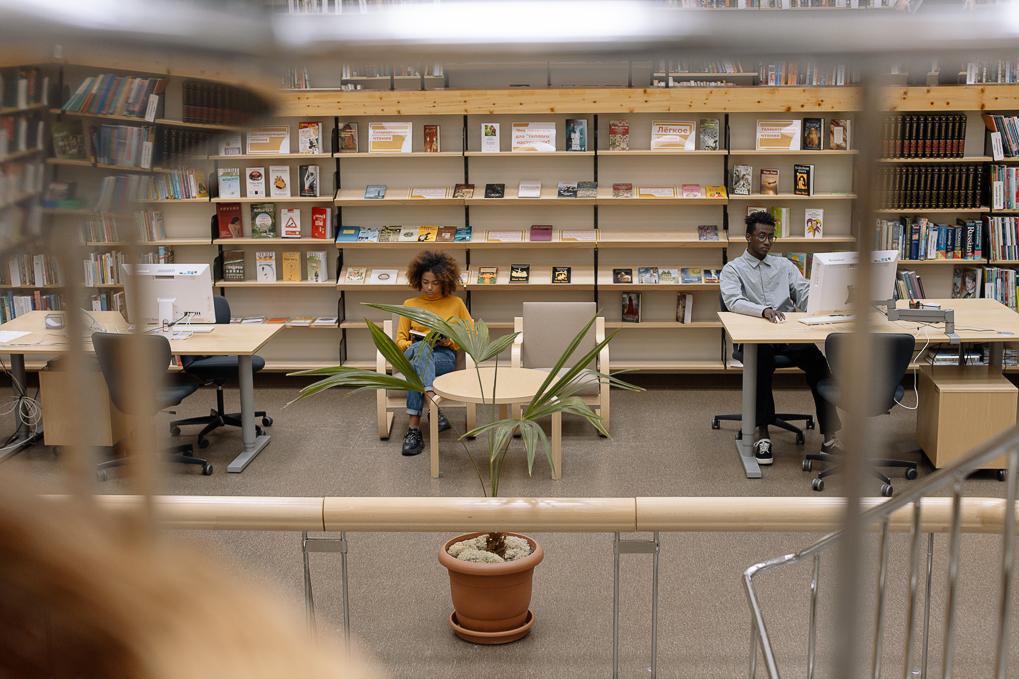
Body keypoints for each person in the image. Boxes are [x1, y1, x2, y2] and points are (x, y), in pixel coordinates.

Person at [720, 211, 840, 466]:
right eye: (761, 236)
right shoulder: (733, 270)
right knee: (760, 363)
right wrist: (762, 311)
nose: (767, 242)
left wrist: (824, 300)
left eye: (771, 237)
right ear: (748, 237)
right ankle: (762, 434)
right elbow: (733, 301)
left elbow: (803, 292)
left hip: (788, 332)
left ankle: (830, 436)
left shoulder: (785, 265)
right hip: (755, 338)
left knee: (819, 365)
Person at [396, 250, 473, 456]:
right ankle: (433, 407)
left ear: (445, 282)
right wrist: (411, 344)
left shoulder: (455, 304)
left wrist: (449, 340)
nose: (429, 288)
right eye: (425, 282)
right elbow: (400, 341)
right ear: (418, 280)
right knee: (420, 350)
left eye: (435, 282)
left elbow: (470, 333)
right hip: (413, 352)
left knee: (416, 368)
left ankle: (413, 431)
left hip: (443, 356)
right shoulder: (409, 305)